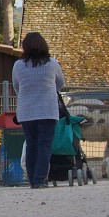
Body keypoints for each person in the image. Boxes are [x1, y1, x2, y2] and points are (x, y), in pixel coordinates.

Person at [12, 32, 64, 189]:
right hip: (47, 110)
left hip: (26, 111)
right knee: (44, 145)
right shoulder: (53, 63)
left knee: (31, 145)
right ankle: (40, 179)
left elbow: (16, 87)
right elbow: (60, 83)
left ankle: (32, 180)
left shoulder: (18, 65)